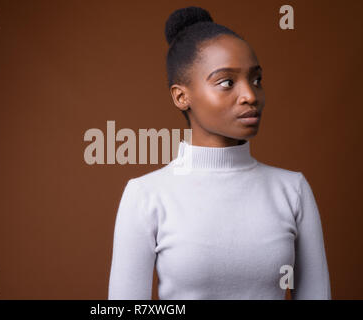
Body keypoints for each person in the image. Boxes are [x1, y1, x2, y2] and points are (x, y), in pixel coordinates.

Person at [108, 6, 331, 300]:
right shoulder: (146, 195)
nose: (250, 95)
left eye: (256, 80)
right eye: (227, 82)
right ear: (181, 96)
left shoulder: (292, 190)